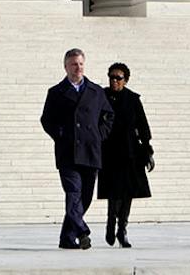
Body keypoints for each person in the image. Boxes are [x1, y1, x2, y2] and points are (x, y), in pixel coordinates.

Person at [39, 47, 115, 250]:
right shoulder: (56, 93)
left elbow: (108, 116)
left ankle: (67, 237)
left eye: (80, 64)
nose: (78, 67)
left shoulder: (96, 91)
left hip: (91, 151)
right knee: (73, 193)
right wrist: (62, 135)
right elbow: (47, 120)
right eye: (73, 64)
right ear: (65, 67)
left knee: (85, 198)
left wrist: (99, 135)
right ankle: (82, 231)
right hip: (68, 153)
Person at [99, 61, 152, 249]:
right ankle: (110, 223)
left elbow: (143, 126)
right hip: (109, 152)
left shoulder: (132, 99)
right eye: (112, 77)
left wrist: (147, 152)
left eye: (118, 78)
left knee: (127, 192)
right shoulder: (102, 96)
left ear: (126, 80)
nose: (114, 81)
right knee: (114, 192)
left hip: (130, 152)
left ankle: (122, 229)